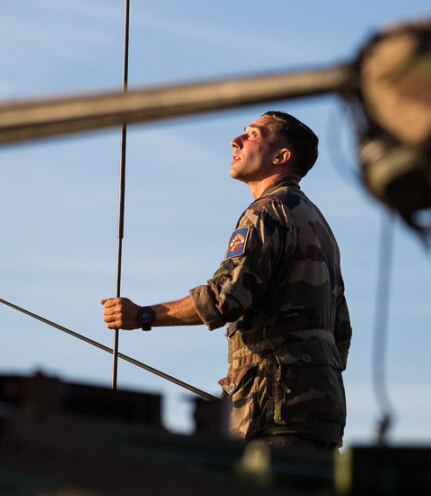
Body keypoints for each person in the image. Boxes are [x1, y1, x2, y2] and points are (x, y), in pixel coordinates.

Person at [101, 111, 351, 451]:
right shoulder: (318, 225)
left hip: (272, 415)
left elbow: (225, 297)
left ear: (281, 157)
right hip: (319, 416)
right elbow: (341, 332)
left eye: (253, 134)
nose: (236, 141)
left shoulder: (266, 213)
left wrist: (143, 315)